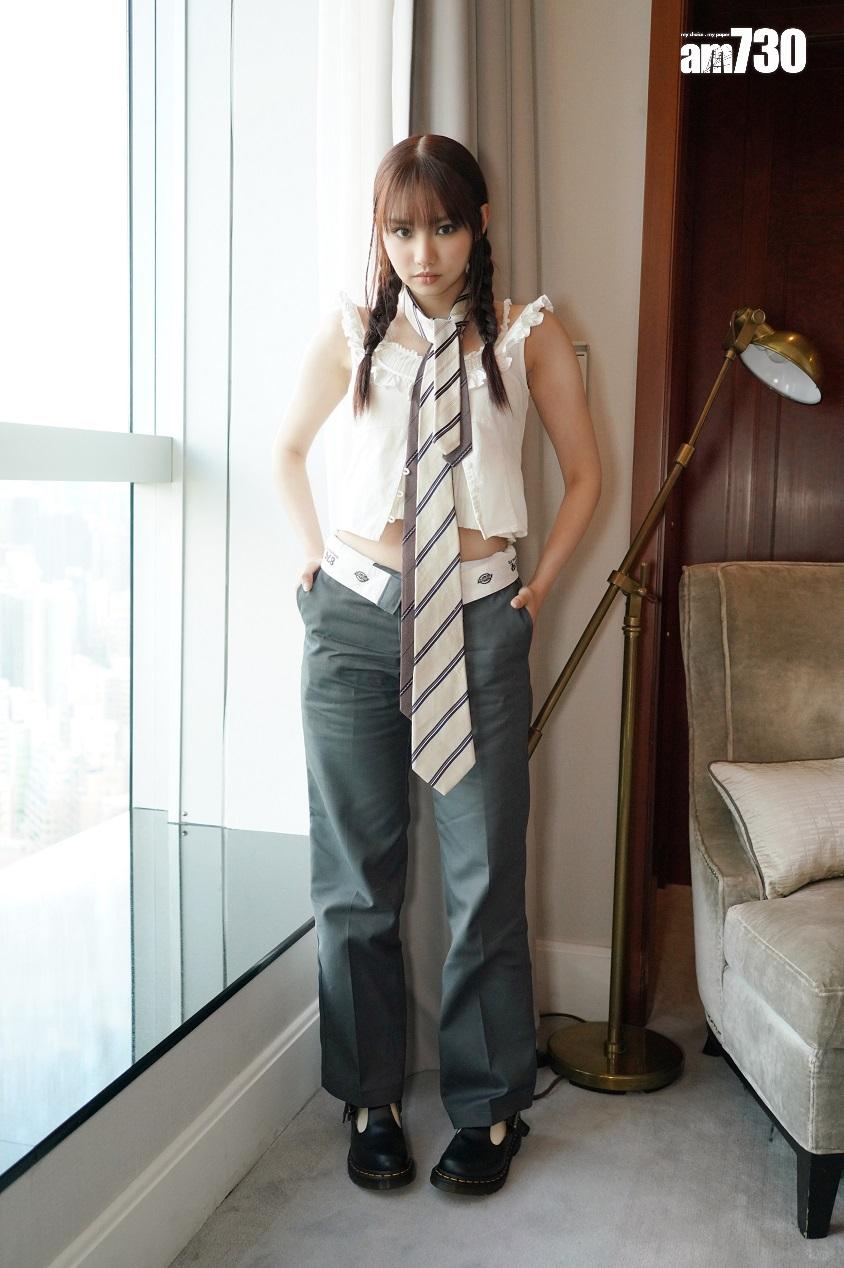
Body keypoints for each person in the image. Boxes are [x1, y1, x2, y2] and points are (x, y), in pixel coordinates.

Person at [273, 134, 601, 1197]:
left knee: (484, 877)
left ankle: (491, 1104)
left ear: (480, 224)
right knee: (356, 881)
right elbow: (285, 451)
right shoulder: (350, 337)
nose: (424, 251)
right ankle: (370, 1097)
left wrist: (537, 586)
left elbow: (586, 476)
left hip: (477, 617)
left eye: (445, 226)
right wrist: (313, 562)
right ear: (382, 233)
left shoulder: (525, 336)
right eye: (402, 229)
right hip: (356, 624)